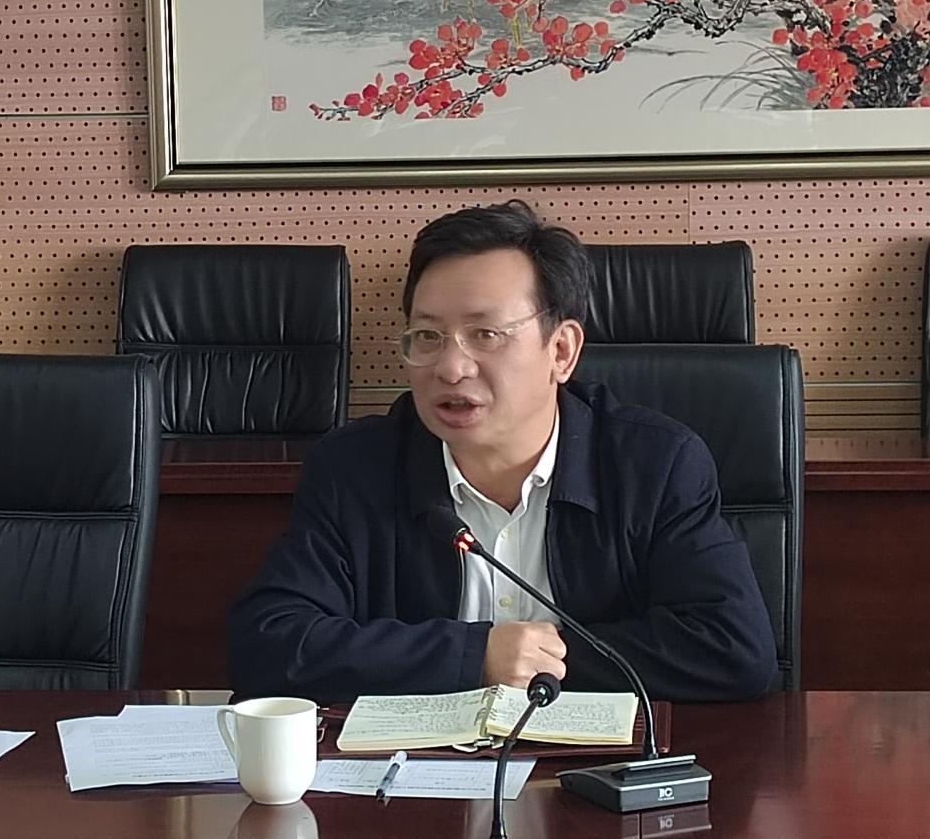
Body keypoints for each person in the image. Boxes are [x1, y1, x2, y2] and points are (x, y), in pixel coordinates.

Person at [226, 201, 776, 704]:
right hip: (415, 771)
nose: (451, 368)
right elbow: (267, 646)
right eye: (428, 336)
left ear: (561, 351)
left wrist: (535, 663)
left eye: (485, 334)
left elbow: (733, 650)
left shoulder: (654, 464)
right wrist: (474, 656)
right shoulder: (354, 469)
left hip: (596, 767)